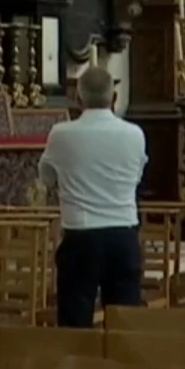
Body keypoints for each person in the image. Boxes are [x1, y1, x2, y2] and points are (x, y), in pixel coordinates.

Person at [39, 65, 148, 327]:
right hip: (123, 235)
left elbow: (46, 179)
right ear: (114, 98)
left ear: (78, 98)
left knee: (75, 325)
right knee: (124, 324)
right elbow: (136, 178)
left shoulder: (61, 134)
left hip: (81, 237)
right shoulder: (135, 134)